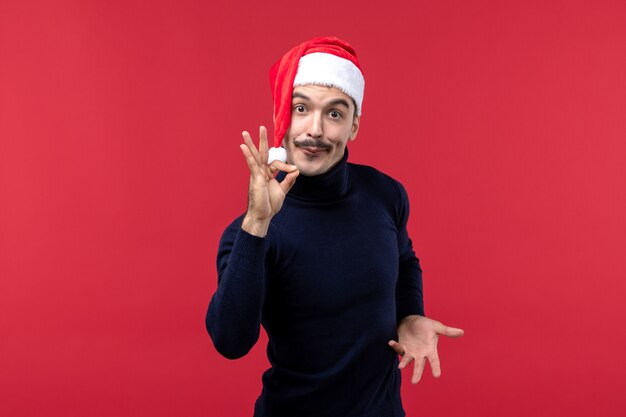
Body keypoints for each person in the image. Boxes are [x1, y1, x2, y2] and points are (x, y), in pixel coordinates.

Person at [206, 36, 464, 417]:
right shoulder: (251, 231)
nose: (315, 130)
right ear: (283, 116)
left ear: (353, 126)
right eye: (301, 108)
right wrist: (257, 223)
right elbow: (230, 341)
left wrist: (410, 314)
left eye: (335, 113)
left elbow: (405, 260)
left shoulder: (385, 194)